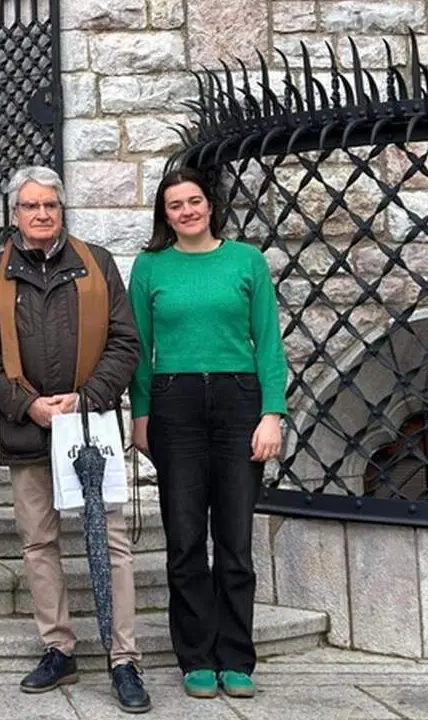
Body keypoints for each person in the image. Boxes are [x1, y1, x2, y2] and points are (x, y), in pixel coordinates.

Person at [0, 166, 151, 714]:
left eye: (50, 205)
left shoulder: (96, 264)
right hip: (29, 428)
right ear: (15, 214)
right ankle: (59, 648)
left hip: (90, 425)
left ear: (62, 209)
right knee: (39, 542)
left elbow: (125, 341)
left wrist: (87, 398)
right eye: (31, 206)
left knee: (112, 543)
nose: (41, 214)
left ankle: (124, 658)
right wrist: (29, 406)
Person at [129, 168, 286, 701]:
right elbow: (138, 350)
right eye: (175, 205)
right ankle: (196, 656)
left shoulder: (246, 260)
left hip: (239, 401)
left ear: (210, 205)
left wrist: (272, 413)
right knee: (185, 536)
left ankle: (236, 657)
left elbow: (268, 342)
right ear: (164, 214)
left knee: (235, 540)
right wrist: (141, 413)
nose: (187, 211)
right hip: (175, 405)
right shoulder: (150, 267)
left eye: (194, 201)